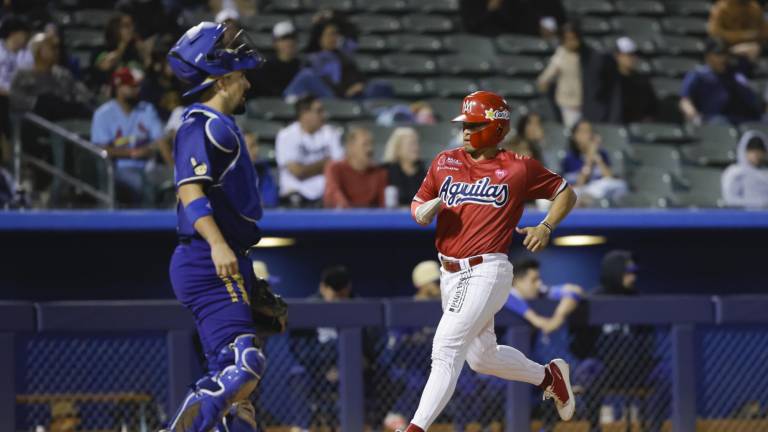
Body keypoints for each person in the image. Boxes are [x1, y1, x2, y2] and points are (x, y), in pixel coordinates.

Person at [400, 91, 578, 432]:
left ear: (496, 127)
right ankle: (548, 376)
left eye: (474, 124)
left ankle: (414, 429)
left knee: (445, 348)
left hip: (486, 269)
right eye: (464, 124)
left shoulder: (518, 167)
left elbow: (565, 192)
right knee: (481, 358)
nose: (466, 131)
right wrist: (422, 212)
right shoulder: (445, 161)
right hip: (449, 272)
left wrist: (546, 225)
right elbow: (418, 204)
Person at [162, 21, 287, 432]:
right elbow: (190, 192)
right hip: (208, 256)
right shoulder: (202, 124)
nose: (247, 83)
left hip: (226, 258)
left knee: (241, 402)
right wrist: (218, 245)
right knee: (245, 364)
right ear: (223, 77)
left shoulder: (219, 126)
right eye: (242, 75)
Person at [569, 250, 667, 432]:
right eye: (628, 272)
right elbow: (577, 340)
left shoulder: (637, 299)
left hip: (636, 369)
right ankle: (594, 426)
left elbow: (648, 338)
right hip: (604, 368)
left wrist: (639, 359)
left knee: (663, 372)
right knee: (588, 369)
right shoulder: (595, 299)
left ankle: (655, 428)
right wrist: (595, 354)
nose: (633, 277)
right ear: (616, 271)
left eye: (634, 273)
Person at [90, 67, 165, 206]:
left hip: (149, 166)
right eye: (131, 86)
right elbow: (100, 149)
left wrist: (151, 150)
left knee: (170, 183)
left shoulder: (147, 109)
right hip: (118, 168)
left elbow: (160, 139)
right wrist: (132, 153)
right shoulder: (103, 114)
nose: (136, 90)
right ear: (118, 86)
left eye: (137, 86)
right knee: (142, 184)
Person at [283, 16, 391, 100]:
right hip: (330, 96)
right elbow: (326, 81)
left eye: (336, 34)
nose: (334, 38)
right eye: (330, 34)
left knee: (381, 86)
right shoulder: (310, 58)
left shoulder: (343, 56)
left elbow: (358, 76)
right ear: (319, 37)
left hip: (352, 96)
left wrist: (360, 85)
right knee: (306, 75)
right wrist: (345, 92)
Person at [275, 95, 343, 207]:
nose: (324, 115)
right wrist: (325, 163)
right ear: (304, 113)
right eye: (319, 111)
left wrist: (308, 169)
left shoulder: (331, 133)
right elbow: (298, 172)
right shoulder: (286, 135)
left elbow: (338, 168)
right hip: (295, 198)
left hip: (324, 197)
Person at [10, 32, 94, 120]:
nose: (57, 52)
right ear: (38, 50)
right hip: (36, 122)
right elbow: (15, 100)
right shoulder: (22, 74)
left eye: (57, 48)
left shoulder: (62, 73)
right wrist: (39, 102)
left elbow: (85, 95)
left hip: (64, 118)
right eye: (52, 48)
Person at [679, 38, 763, 125]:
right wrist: (695, 118)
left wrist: (730, 51)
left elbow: (754, 48)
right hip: (714, 120)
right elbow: (685, 101)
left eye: (724, 54)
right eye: (718, 54)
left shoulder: (734, 70)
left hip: (743, 118)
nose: (723, 58)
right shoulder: (698, 75)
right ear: (708, 56)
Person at [504, 257, 583, 334]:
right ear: (517, 281)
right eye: (534, 280)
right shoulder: (504, 294)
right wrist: (536, 319)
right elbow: (508, 296)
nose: (539, 284)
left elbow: (574, 290)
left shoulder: (541, 291)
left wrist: (557, 318)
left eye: (539, 279)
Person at [561, 119, 627, 206]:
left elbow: (609, 177)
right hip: (580, 190)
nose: (588, 135)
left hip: (599, 189)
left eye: (589, 131)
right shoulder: (570, 157)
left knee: (620, 185)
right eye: (583, 132)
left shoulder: (602, 154)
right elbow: (580, 182)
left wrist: (596, 156)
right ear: (575, 136)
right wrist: (589, 160)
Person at [323, 127, 388, 208]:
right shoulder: (335, 168)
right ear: (350, 147)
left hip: (371, 219)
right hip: (344, 218)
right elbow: (332, 194)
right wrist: (350, 214)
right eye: (365, 144)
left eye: (372, 144)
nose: (370, 149)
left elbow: (384, 205)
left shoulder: (379, 173)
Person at [0, 15, 32, 162]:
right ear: (14, 33)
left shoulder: (24, 55)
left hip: (16, 100)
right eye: (23, 34)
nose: (26, 38)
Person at [607, 37, 657, 124]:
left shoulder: (642, 81)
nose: (633, 58)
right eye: (628, 55)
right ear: (617, 56)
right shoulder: (608, 79)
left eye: (634, 55)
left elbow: (651, 107)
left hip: (637, 125)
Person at [459, 0, 566, 39]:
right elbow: (470, 25)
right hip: (483, 40)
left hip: (516, 39)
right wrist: (490, 10)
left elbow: (520, 19)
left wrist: (540, 27)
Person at [248, 21, 301, 98]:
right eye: (284, 39)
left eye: (292, 38)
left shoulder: (301, 65)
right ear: (275, 43)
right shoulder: (266, 67)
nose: (289, 42)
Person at [383, 127, 428, 207]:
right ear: (398, 149)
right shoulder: (386, 173)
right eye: (411, 144)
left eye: (417, 143)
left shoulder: (426, 173)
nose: (416, 148)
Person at [722, 130, 768, 207]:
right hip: (744, 216)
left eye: (759, 151)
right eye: (751, 151)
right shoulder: (734, 172)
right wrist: (761, 203)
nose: (756, 155)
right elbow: (730, 200)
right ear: (743, 150)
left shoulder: (765, 172)